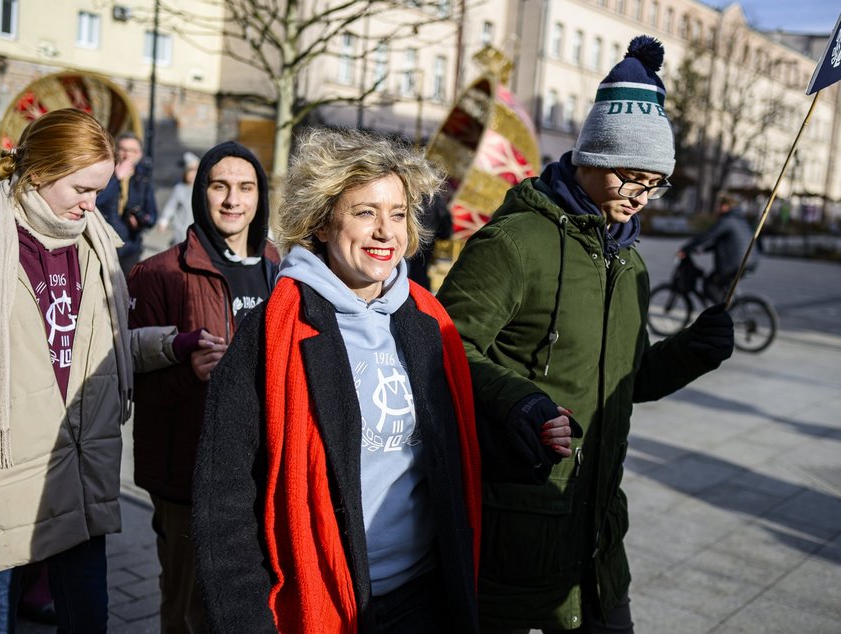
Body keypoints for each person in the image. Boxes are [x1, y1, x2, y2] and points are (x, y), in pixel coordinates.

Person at [436, 36, 735, 633]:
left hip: (598, 536)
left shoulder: (631, 264)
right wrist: (520, 400)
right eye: (629, 177)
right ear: (591, 156)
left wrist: (692, 353)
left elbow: (631, 380)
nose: (639, 196)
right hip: (517, 526)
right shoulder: (515, 242)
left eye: (654, 184)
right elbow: (443, 349)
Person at [0, 108, 203, 632]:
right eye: (82, 188)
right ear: (37, 172)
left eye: (101, 189)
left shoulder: (96, 244)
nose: (94, 204)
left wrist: (171, 345)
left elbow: (97, 351)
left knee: (88, 622)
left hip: (79, 483)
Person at [191, 128, 501, 633]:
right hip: (327, 601)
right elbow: (223, 501)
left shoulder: (428, 321)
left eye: (397, 214)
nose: (386, 231)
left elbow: (452, 448)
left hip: (425, 596)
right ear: (320, 222)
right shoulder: (271, 332)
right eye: (365, 212)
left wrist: (525, 431)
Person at [128, 141, 279, 633]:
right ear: (201, 193)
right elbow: (131, 389)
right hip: (188, 475)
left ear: (260, 198)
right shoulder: (159, 274)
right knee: (189, 610)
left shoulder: (280, 267)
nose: (233, 200)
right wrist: (188, 373)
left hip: (262, 472)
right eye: (220, 186)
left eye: (246, 188)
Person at [97, 131, 157, 275]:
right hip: (104, 243)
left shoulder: (143, 179)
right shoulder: (104, 173)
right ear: (115, 150)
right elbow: (96, 202)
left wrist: (140, 221)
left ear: (140, 154)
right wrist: (117, 178)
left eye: (133, 151)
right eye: (123, 149)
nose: (127, 155)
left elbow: (153, 216)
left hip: (130, 245)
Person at [679, 194, 757, 304]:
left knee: (709, 285)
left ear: (725, 206)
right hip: (749, 262)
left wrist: (686, 248)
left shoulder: (727, 220)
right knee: (721, 286)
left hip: (735, 264)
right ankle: (726, 307)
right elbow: (723, 242)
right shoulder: (740, 220)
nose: (716, 209)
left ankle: (722, 313)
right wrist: (703, 250)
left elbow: (708, 235)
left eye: (718, 206)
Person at [156, 151, 200, 246]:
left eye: (195, 171)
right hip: (182, 228)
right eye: (189, 171)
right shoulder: (180, 189)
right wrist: (164, 220)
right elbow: (171, 205)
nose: (192, 174)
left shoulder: (202, 189)